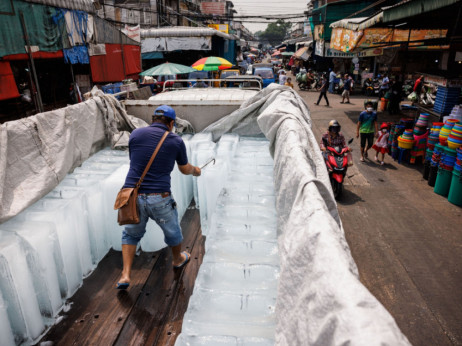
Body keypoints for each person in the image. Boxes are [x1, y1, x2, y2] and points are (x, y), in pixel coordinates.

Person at [116, 105, 201, 290]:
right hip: (159, 197)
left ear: (153, 119)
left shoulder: (135, 135)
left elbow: (136, 160)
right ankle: (178, 259)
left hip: (132, 196)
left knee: (130, 234)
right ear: (171, 123)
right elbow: (184, 168)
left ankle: (125, 274)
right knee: (173, 231)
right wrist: (196, 171)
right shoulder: (176, 141)